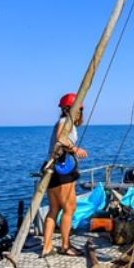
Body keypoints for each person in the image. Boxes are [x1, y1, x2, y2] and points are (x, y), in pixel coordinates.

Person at [41, 92, 87, 257]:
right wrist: (75, 149)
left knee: (54, 209)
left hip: (52, 169)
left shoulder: (64, 122)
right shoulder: (65, 122)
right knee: (69, 208)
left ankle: (47, 246)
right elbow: (61, 139)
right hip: (62, 171)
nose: (80, 113)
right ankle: (65, 246)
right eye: (78, 110)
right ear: (70, 109)